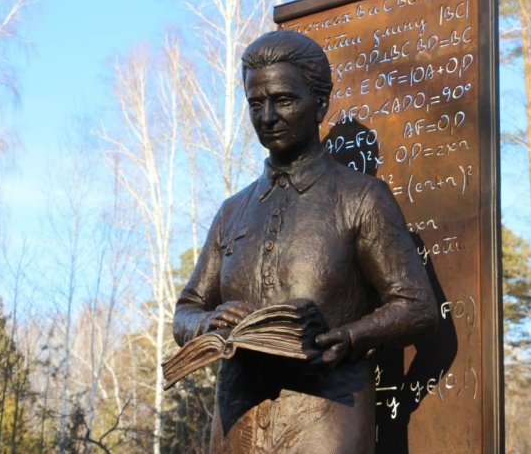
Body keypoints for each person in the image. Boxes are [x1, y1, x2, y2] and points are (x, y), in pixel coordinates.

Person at [172, 30, 437, 453]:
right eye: (256, 104)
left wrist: (349, 337)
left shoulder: (361, 197)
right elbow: (186, 308)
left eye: (284, 100)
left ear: (320, 104)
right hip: (238, 416)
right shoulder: (232, 210)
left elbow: (417, 305)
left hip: (327, 411)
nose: (268, 117)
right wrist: (207, 324)